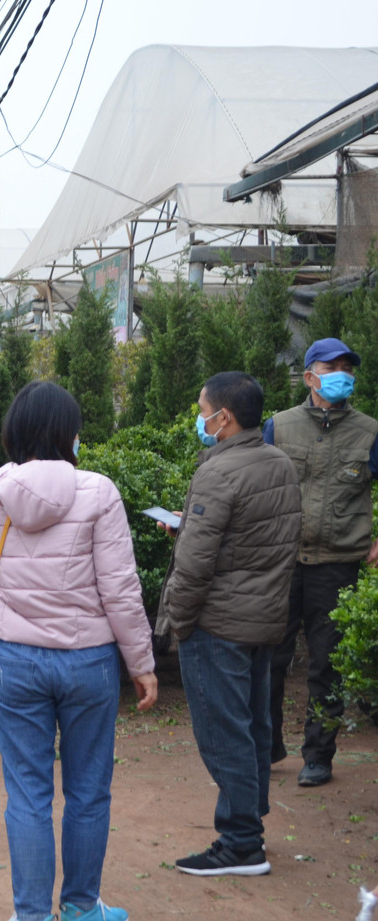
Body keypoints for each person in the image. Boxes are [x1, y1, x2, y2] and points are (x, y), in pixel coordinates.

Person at [0, 381, 157, 921]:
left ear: (15, 433)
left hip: (17, 661)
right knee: (88, 791)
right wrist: (142, 664)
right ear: (69, 434)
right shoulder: (99, 492)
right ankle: (79, 909)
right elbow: (119, 589)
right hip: (87, 662)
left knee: (27, 795)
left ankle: (30, 915)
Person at [159, 372, 301, 877]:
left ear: (224, 417)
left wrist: (179, 619)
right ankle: (250, 825)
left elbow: (196, 565)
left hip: (217, 625)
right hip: (262, 620)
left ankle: (241, 842)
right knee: (255, 727)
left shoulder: (220, 471)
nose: (200, 418)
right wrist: (190, 520)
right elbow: (257, 535)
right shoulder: (279, 463)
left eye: (203, 410)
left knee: (225, 734)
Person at [264, 337, 378, 787]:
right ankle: (268, 743)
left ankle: (319, 755)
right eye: (332, 367)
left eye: (347, 368)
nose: (341, 375)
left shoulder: (369, 431)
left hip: (338, 564)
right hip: (284, 561)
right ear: (310, 375)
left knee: (326, 664)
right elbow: (258, 485)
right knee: (270, 657)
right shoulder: (279, 426)